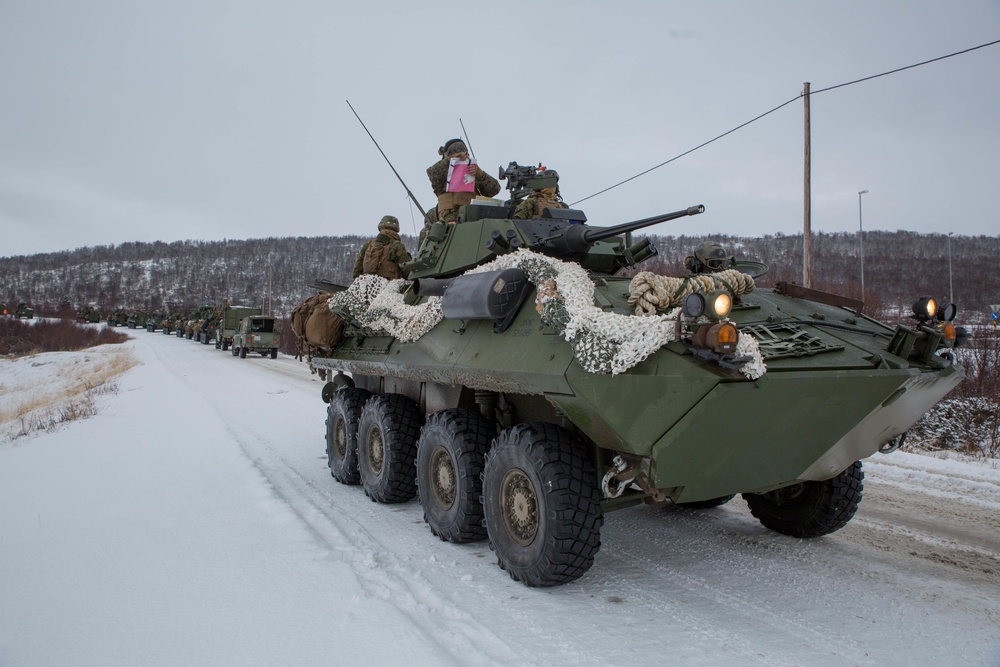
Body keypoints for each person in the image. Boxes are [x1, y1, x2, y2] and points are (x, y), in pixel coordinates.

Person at [426, 138, 500, 223]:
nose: (463, 158)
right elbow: (432, 174)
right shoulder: (442, 175)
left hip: (473, 219)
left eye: (466, 155)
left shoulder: (472, 173)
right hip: (449, 221)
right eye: (457, 157)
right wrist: (449, 161)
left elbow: (494, 189)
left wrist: (480, 173)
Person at [352, 215, 413, 280]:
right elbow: (408, 272)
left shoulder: (369, 244)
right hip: (390, 287)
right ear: (396, 229)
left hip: (368, 286)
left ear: (380, 227)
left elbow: (356, 272)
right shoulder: (397, 246)